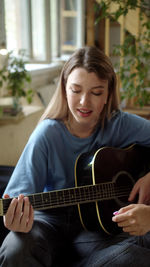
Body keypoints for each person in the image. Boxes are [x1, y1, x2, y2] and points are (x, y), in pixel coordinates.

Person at [0, 46, 150, 267]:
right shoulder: (46, 134)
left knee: (132, 255)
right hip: (50, 222)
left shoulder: (120, 124)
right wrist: (14, 220)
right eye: (76, 90)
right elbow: (16, 199)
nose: (84, 102)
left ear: (108, 94)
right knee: (15, 249)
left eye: (96, 92)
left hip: (99, 229)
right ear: (64, 89)